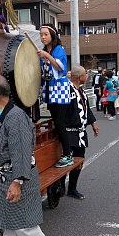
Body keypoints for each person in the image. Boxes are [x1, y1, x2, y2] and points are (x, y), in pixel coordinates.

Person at [0, 75, 52, 236]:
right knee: (10, 226)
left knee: (24, 225)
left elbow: (21, 151)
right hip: (4, 177)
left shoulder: (16, 117)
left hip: (18, 177)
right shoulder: (0, 114)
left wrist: (17, 182)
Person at [61, 66, 99, 199]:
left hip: (81, 133)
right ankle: (60, 187)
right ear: (79, 77)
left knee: (79, 161)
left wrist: (93, 123)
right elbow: (61, 112)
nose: (87, 76)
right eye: (85, 74)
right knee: (66, 162)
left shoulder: (81, 90)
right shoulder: (67, 89)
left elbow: (86, 108)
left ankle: (72, 188)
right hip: (69, 133)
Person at [37, 23, 72, 168]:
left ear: (52, 35)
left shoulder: (59, 49)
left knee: (60, 122)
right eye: (41, 34)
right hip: (50, 89)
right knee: (56, 122)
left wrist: (45, 55)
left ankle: (68, 154)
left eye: (45, 34)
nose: (43, 37)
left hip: (60, 89)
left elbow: (60, 67)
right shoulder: (45, 50)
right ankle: (62, 151)